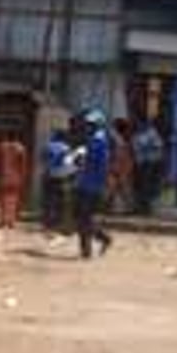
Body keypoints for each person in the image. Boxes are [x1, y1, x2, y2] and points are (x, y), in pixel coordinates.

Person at [73, 109, 113, 259]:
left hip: (91, 186)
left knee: (84, 218)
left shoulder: (99, 142)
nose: (87, 127)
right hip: (85, 184)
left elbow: (102, 166)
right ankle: (101, 240)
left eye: (90, 124)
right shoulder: (92, 140)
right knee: (83, 218)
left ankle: (89, 249)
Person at [42, 127, 74, 234]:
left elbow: (42, 159)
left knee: (48, 201)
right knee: (63, 203)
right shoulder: (66, 148)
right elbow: (68, 164)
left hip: (48, 175)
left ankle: (48, 225)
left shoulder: (48, 146)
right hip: (62, 177)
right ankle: (62, 226)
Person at [0, 129, 28, 229]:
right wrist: (23, 176)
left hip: (3, 176)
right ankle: (11, 221)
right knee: (13, 199)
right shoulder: (21, 148)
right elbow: (23, 165)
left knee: (2, 199)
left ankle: (2, 220)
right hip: (16, 177)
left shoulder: (1, 147)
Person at [131, 119, 165, 215]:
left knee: (146, 185)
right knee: (140, 185)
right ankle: (140, 206)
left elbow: (158, 146)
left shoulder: (152, 133)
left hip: (150, 163)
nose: (138, 125)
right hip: (140, 163)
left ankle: (146, 208)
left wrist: (146, 146)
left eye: (140, 124)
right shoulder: (136, 135)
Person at [106, 118, 134, 214]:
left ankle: (127, 208)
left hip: (119, 165)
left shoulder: (120, 139)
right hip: (118, 165)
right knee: (115, 188)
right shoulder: (118, 139)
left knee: (118, 188)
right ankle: (112, 207)